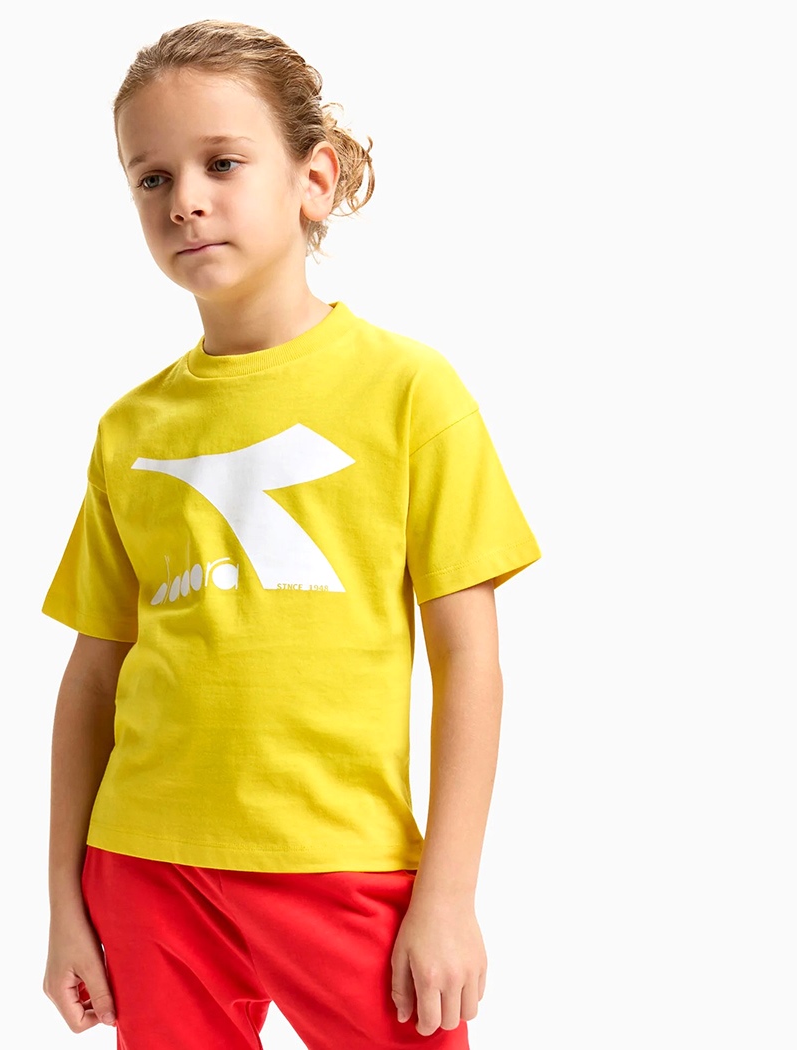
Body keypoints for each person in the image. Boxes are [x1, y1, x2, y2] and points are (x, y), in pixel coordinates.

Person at [40, 19, 541, 1050]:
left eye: (222, 163)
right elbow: (94, 674)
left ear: (315, 179)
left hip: (343, 863)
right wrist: (65, 902)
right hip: (146, 866)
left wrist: (448, 895)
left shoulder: (410, 390)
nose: (184, 199)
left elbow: (469, 661)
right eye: (150, 177)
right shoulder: (131, 428)